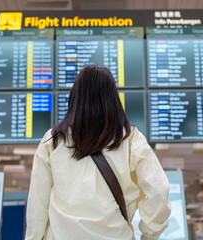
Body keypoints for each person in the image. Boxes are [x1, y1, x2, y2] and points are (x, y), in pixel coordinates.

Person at [25, 64, 171, 240]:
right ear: (113, 99)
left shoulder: (54, 139)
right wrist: (149, 235)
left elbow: (38, 204)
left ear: (75, 97)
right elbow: (158, 191)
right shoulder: (130, 139)